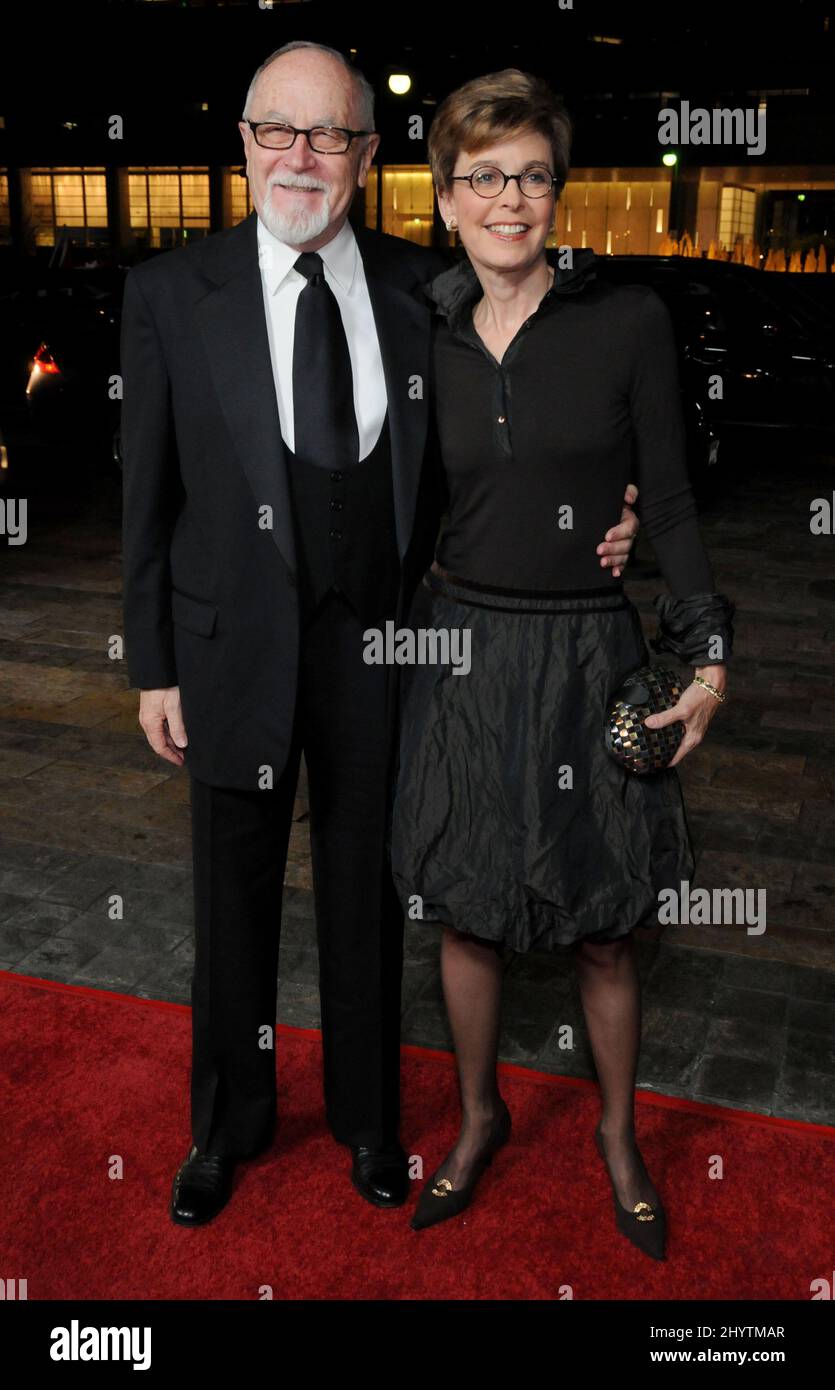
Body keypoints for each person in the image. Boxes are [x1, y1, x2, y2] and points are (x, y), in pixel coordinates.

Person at [120, 41, 641, 1228]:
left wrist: (609, 510)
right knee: (230, 902)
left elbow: (533, 406)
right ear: (245, 143)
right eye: (278, 131)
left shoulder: (424, 289)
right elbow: (141, 502)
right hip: (228, 654)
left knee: (368, 895)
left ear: (365, 154)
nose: (301, 157)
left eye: (330, 135)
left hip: (384, 655)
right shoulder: (167, 294)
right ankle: (227, 1126)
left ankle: (368, 1121)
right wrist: (150, 663)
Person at [390, 69, 735, 1259]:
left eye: (531, 174)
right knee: (469, 915)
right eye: (483, 176)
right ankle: (479, 1120)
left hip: (592, 651)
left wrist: (706, 655)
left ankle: (618, 1134)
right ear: (442, 198)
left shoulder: (624, 320)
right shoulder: (415, 330)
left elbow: (675, 500)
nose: (509, 198)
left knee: (603, 925)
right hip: (463, 652)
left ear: (557, 191)